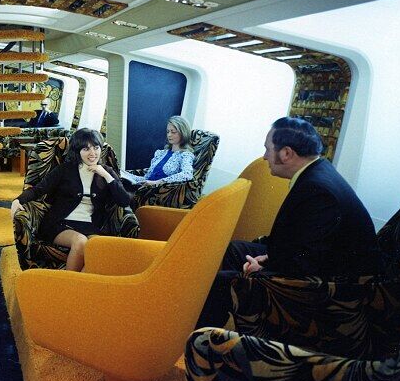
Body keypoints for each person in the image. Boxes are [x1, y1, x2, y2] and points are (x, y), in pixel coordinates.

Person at [196, 116, 381, 328]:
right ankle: (246, 318)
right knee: (236, 250)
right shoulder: (316, 173)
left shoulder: (318, 191)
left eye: (267, 149)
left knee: (222, 282)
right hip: (321, 265)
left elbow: (307, 263)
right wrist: (269, 257)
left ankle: (203, 335)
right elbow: (305, 244)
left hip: (336, 288)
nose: (265, 157)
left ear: (286, 153)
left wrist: (263, 269)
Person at [10, 128, 129, 272]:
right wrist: (18, 200)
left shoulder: (106, 172)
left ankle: (74, 284)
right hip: (60, 223)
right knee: (80, 242)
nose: (92, 153)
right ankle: (69, 284)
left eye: (96, 147)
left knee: (100, 250)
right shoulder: (65, 170)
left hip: (91, 226)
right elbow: (39, 189)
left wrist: (106, 175)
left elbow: (124, 201)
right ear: (78, 151)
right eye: (86, 149)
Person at [128, 116, 194, 186]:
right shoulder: (161, 153)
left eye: (173, 132)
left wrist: (157, 182)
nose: (169, 135)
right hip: (144, 187)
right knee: (120, 177)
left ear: (183, 133)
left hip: (160, 191)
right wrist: (127, 175)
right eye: (168, 132)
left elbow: (187, 174)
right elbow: (147, 178)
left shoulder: (185, 155)